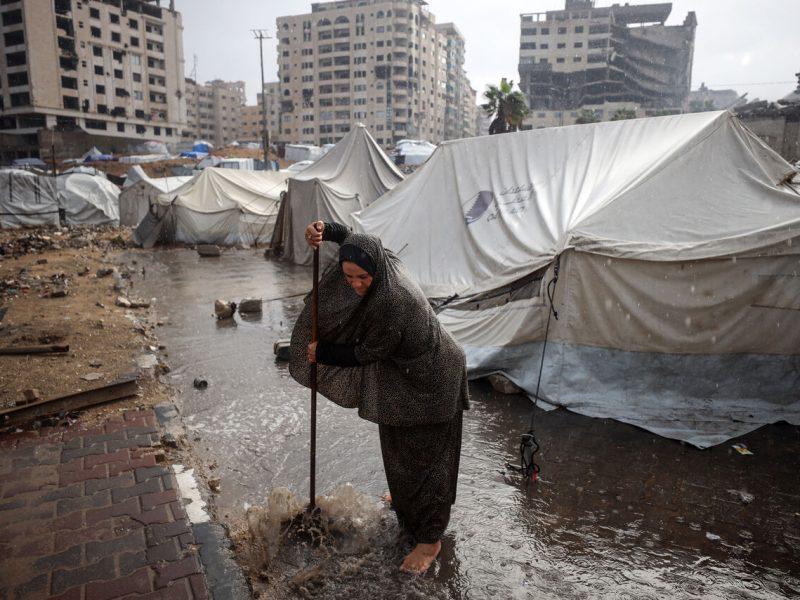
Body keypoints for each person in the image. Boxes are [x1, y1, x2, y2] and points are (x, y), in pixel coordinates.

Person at [289, 220, 469, 574]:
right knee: (398, 446)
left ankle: (429, 539)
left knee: (429, 459)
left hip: (434, 379)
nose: (355, 285)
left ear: (376, 272)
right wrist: (326, 230)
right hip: (402, 375)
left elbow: (365, 353)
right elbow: (358, 240)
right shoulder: (382, 259)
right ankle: (405, 500)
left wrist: (322, 352)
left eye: (362, 278)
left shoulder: (391, 300)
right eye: (348, 277)